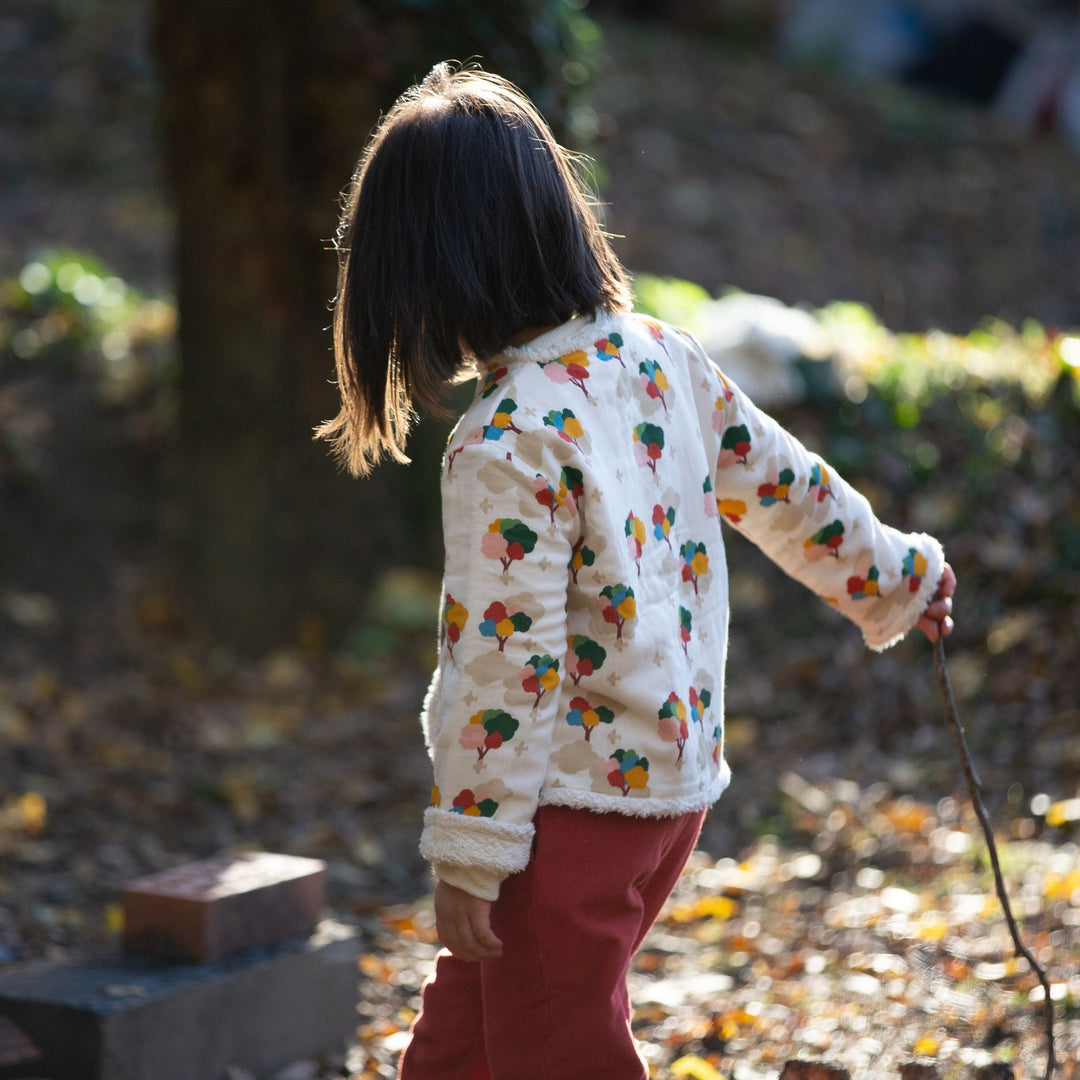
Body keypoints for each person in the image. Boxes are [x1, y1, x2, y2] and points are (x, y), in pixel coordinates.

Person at [317, 62, 956, 1080]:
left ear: (430, 274)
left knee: (553, 1050)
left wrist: (470, 851)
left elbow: (504, 667)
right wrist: (896, 578)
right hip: (667, 792)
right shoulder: (659, 358)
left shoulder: (507, 439)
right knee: (462, 1048)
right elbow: (790, 489)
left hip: (565, 816)